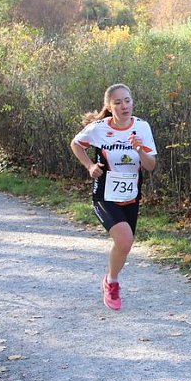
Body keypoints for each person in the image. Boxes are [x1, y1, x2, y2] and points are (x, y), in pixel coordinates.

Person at [70, 83, 157, 310]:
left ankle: (110, 277)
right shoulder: (99, 128)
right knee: (124, 240)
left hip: (131, 195)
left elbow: (150, 166)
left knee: (125, 246)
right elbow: (76, 144)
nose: (124, 105)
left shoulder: (142, 127)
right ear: (109, 106)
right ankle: (113, 284)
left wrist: (140, 150)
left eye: (127, 100)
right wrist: (89, 166)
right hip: (104, 195)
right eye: (117, 102)